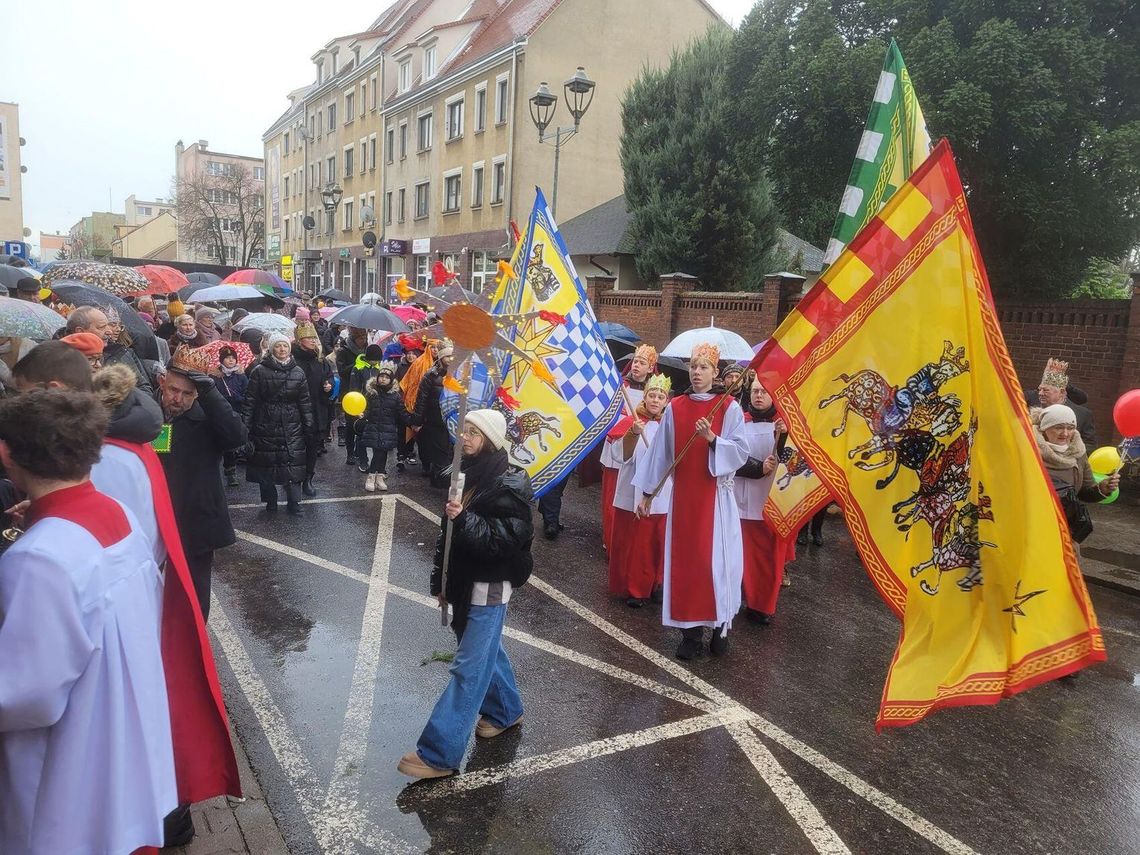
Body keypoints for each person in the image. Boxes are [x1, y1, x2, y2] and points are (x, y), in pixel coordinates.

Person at [0, 388, 177, 854]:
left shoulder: (38, 558)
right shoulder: (115, 512)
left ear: (7, 454)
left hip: (63, 770)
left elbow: (24, 696)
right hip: (117, 742)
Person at [398, 409, 532, 780]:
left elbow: (505, 542)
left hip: (489, 583)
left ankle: (439, 753)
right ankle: (506, 710)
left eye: (474, 432)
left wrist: (464, 519)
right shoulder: (466, 474)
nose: (466, 437)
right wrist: (441, 583)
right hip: (462, 580)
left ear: (491, 438)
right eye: (464, 430)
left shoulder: (509, 484)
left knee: (469, 667)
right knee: (485, 651)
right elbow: (449, 536)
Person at [634, 342, 750, 660]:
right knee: (686, 566)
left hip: (717, 500)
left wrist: (713, 440)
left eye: (703, 367)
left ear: (715, 373)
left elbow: (741, 452)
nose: (697, 372)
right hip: (684, 499)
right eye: (693, 367)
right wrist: (647, 494)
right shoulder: (677, 408)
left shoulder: (730, 409)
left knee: (717, 566)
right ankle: (690, 634)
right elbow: (660, 454)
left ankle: (721, 624)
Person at [158, 345, 248, 618]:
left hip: (193, 520)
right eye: (173, 390)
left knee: (193, 598)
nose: (178, 399)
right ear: (162, 382)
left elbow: (237, 437)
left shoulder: (207, 418)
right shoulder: (149, 414)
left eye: (188, 394)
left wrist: (211, 392)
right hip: (153, 518)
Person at [607, 373, 671, 606]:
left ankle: (653, 583)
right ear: (644, 397)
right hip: (631, 491)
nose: (655, 400)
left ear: (666, 401)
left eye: (660, 396)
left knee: (653, 543)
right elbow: (620, 456)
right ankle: (633, 588)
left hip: (660, 495)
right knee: (632, 544)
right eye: (652, 395)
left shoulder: (669, 425)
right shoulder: (634, 421)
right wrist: (633, 434)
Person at [734, 378, 788, 624]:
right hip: (736, 499)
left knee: (765, 559)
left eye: (764, 392)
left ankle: (761, 605)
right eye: (755, 391)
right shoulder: (738, 421)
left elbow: (792, 465)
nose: (758, 396)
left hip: (766, 502)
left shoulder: (783, 427)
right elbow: (727, 455)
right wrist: (757, 467)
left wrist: (784, 439)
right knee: (736, 555)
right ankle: (735, 598)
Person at [243, 332, 314, 515]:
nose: (282, 349)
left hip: (292, 423)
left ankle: (294, 502)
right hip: (265, 422)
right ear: (271, 348)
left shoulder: (298, 372)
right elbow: (251, 400)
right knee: (267, 463)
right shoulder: (259, 371)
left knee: (293, 462)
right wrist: (246, 426)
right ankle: (270, 501)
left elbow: (304, 401)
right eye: (278, 346)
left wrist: (308, 425)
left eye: (285, 346)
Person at [1032, 403, 1119, 546]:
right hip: (1032, 528)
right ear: (1044, 428)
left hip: (1065, 533)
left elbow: (1084, 491)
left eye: (1070, 428)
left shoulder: (1078, 453)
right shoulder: (1028, 450)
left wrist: (1101, 489)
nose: (1065, 433)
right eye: (1058, 427)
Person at [595, 344, 656, 545]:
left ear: (650, 368)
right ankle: (610, 539)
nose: (636, 365)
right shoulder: (620, 386)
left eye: (642, 362)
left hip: (640, 449)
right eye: (635, 361)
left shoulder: (653, 392)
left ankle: (627, 539)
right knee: (612, 497)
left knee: (633, 497)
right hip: (618, 445)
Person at [292, 321, 334, 496]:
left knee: (312, 446)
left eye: (313, 337)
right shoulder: (293, 359)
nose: (312, 340)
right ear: (300, 340)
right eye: (308, 338)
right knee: (295, 446)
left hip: (316, 408)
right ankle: (293, 478)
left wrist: (328, 385)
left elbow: (328, 376)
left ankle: (308, 478)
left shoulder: (320, 359)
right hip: (296, 409)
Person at [358, 360, 408, 492]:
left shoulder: (395, 396)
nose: (384, 379)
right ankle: (371, 477)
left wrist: (412, 421)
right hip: (374, 427)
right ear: (377, 377)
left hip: (388, 429)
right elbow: (367, 408)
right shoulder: (371, 393)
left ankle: (379, 477)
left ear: (391, 380)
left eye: (387, 378)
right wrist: (364, 414)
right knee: (378, 452)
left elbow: (401, 412)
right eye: (382, 377)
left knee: (383, 452)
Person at [410, 340, 455, 488]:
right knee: (440, 452)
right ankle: (441, 480)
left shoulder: (460, 374)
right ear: (441, 357)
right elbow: (421, 399)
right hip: (436, 420)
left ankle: (444, 479)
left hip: (453, 420)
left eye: (452, 356)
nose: (450, 359)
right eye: (447, 356)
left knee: (451, 452)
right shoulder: (430, 375)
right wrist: (417, 421)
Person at [1028, 358, 1096, 448]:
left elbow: (1090, 445)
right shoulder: (1031, 402)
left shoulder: (1083, 414)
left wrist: (1066, 454)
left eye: (1046, 390)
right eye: (1039, 389)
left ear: (1062, 392)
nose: (1040, 393)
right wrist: (1048, 375)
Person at [349, 342, 388, 472]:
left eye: (377, 360)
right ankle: (363, 460)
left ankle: (375, 463)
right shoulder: (358, 368)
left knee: (373, 433)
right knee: (362, 434)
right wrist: (356, 407)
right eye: (373, 359)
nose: (375, 362)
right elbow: (354, 388)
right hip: (362, 403)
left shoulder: (379, 368)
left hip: (375, 404)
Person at [214, 346, 249, 487]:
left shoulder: (241, 375)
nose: (231, 360)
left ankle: (231, 472)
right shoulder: (215, 377)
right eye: (227, 358)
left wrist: (237, 398)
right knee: (220, 444)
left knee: (232, 445)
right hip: (221, 414)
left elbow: (247, 392)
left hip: (236, 412)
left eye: (233, 358)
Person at [334, 326, 369, 455]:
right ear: (354, 339)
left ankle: (360, 452)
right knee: (350, 424)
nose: (363, 340)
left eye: (364, 337)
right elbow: (342, 372)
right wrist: (356, 363)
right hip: (349, 392)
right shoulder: (343, 351)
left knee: (362, 423)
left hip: (363, 391)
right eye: (360, 338)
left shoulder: (366, 349)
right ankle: (350, 452)